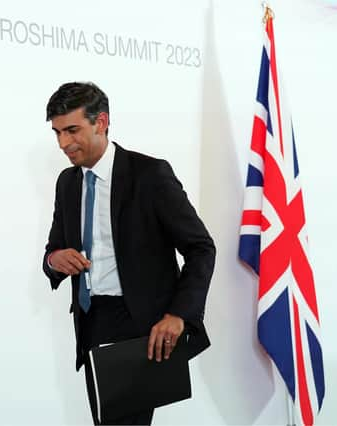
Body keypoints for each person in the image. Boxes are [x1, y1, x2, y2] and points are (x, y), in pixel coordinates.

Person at [42, 82, 216, 425]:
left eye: (72, 130)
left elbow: (200, 248)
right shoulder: (67, 182)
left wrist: (179, 314)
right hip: (92, 324)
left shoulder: (150, 175)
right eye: (58, 132)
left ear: (101, 122)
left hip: (140, 326)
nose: (64, 143)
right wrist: (54, 260)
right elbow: (53, 251)